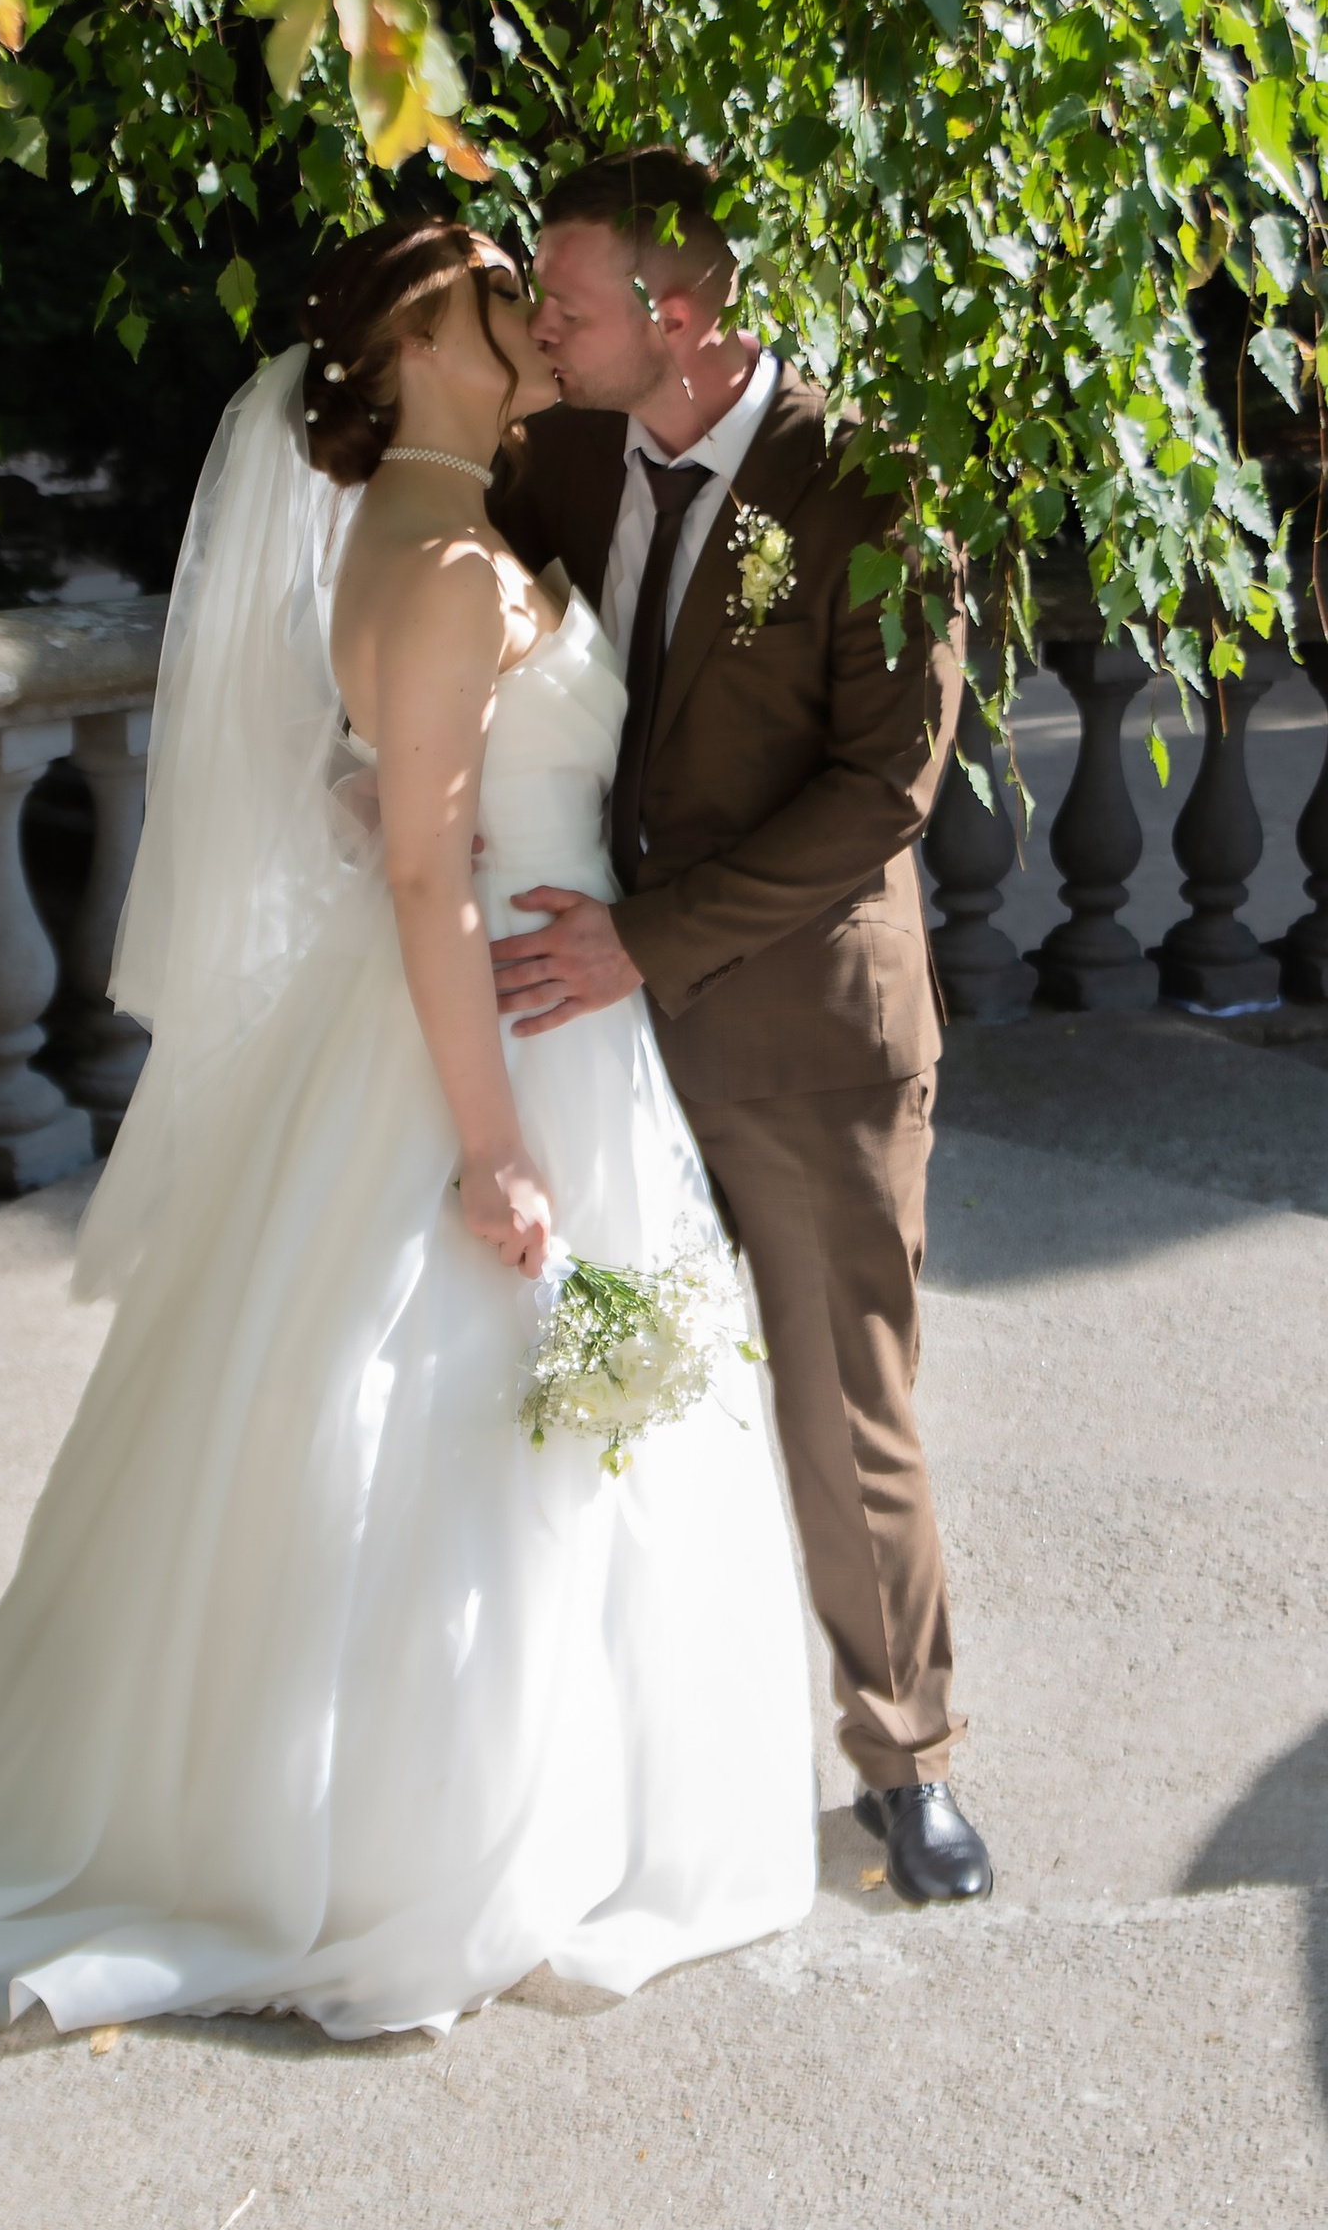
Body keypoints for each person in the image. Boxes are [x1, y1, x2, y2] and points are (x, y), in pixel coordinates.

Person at [0, 214, 818, 2043]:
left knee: (466, 1419)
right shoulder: (448, 555)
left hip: (523, 1004)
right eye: (502, 304)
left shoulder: (427, 529)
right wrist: (492, 1143)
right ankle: (423, 1832)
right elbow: (418, 871)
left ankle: (529, 1787)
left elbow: (383, 789)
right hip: (491, 1034)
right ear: (422, 340)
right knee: (444, 1420)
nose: (539, 328)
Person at [487, 148, 990, 1907]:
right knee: (569, 1371)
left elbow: (883, 789)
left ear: (678, 319)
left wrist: (648, 942)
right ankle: (600, 1747)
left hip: (798, 1034)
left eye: (567, 308)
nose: (540, 334)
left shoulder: (866, 488)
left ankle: (903, 1758)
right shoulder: (552, 450)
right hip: (582, 1027)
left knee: (841, 1401)